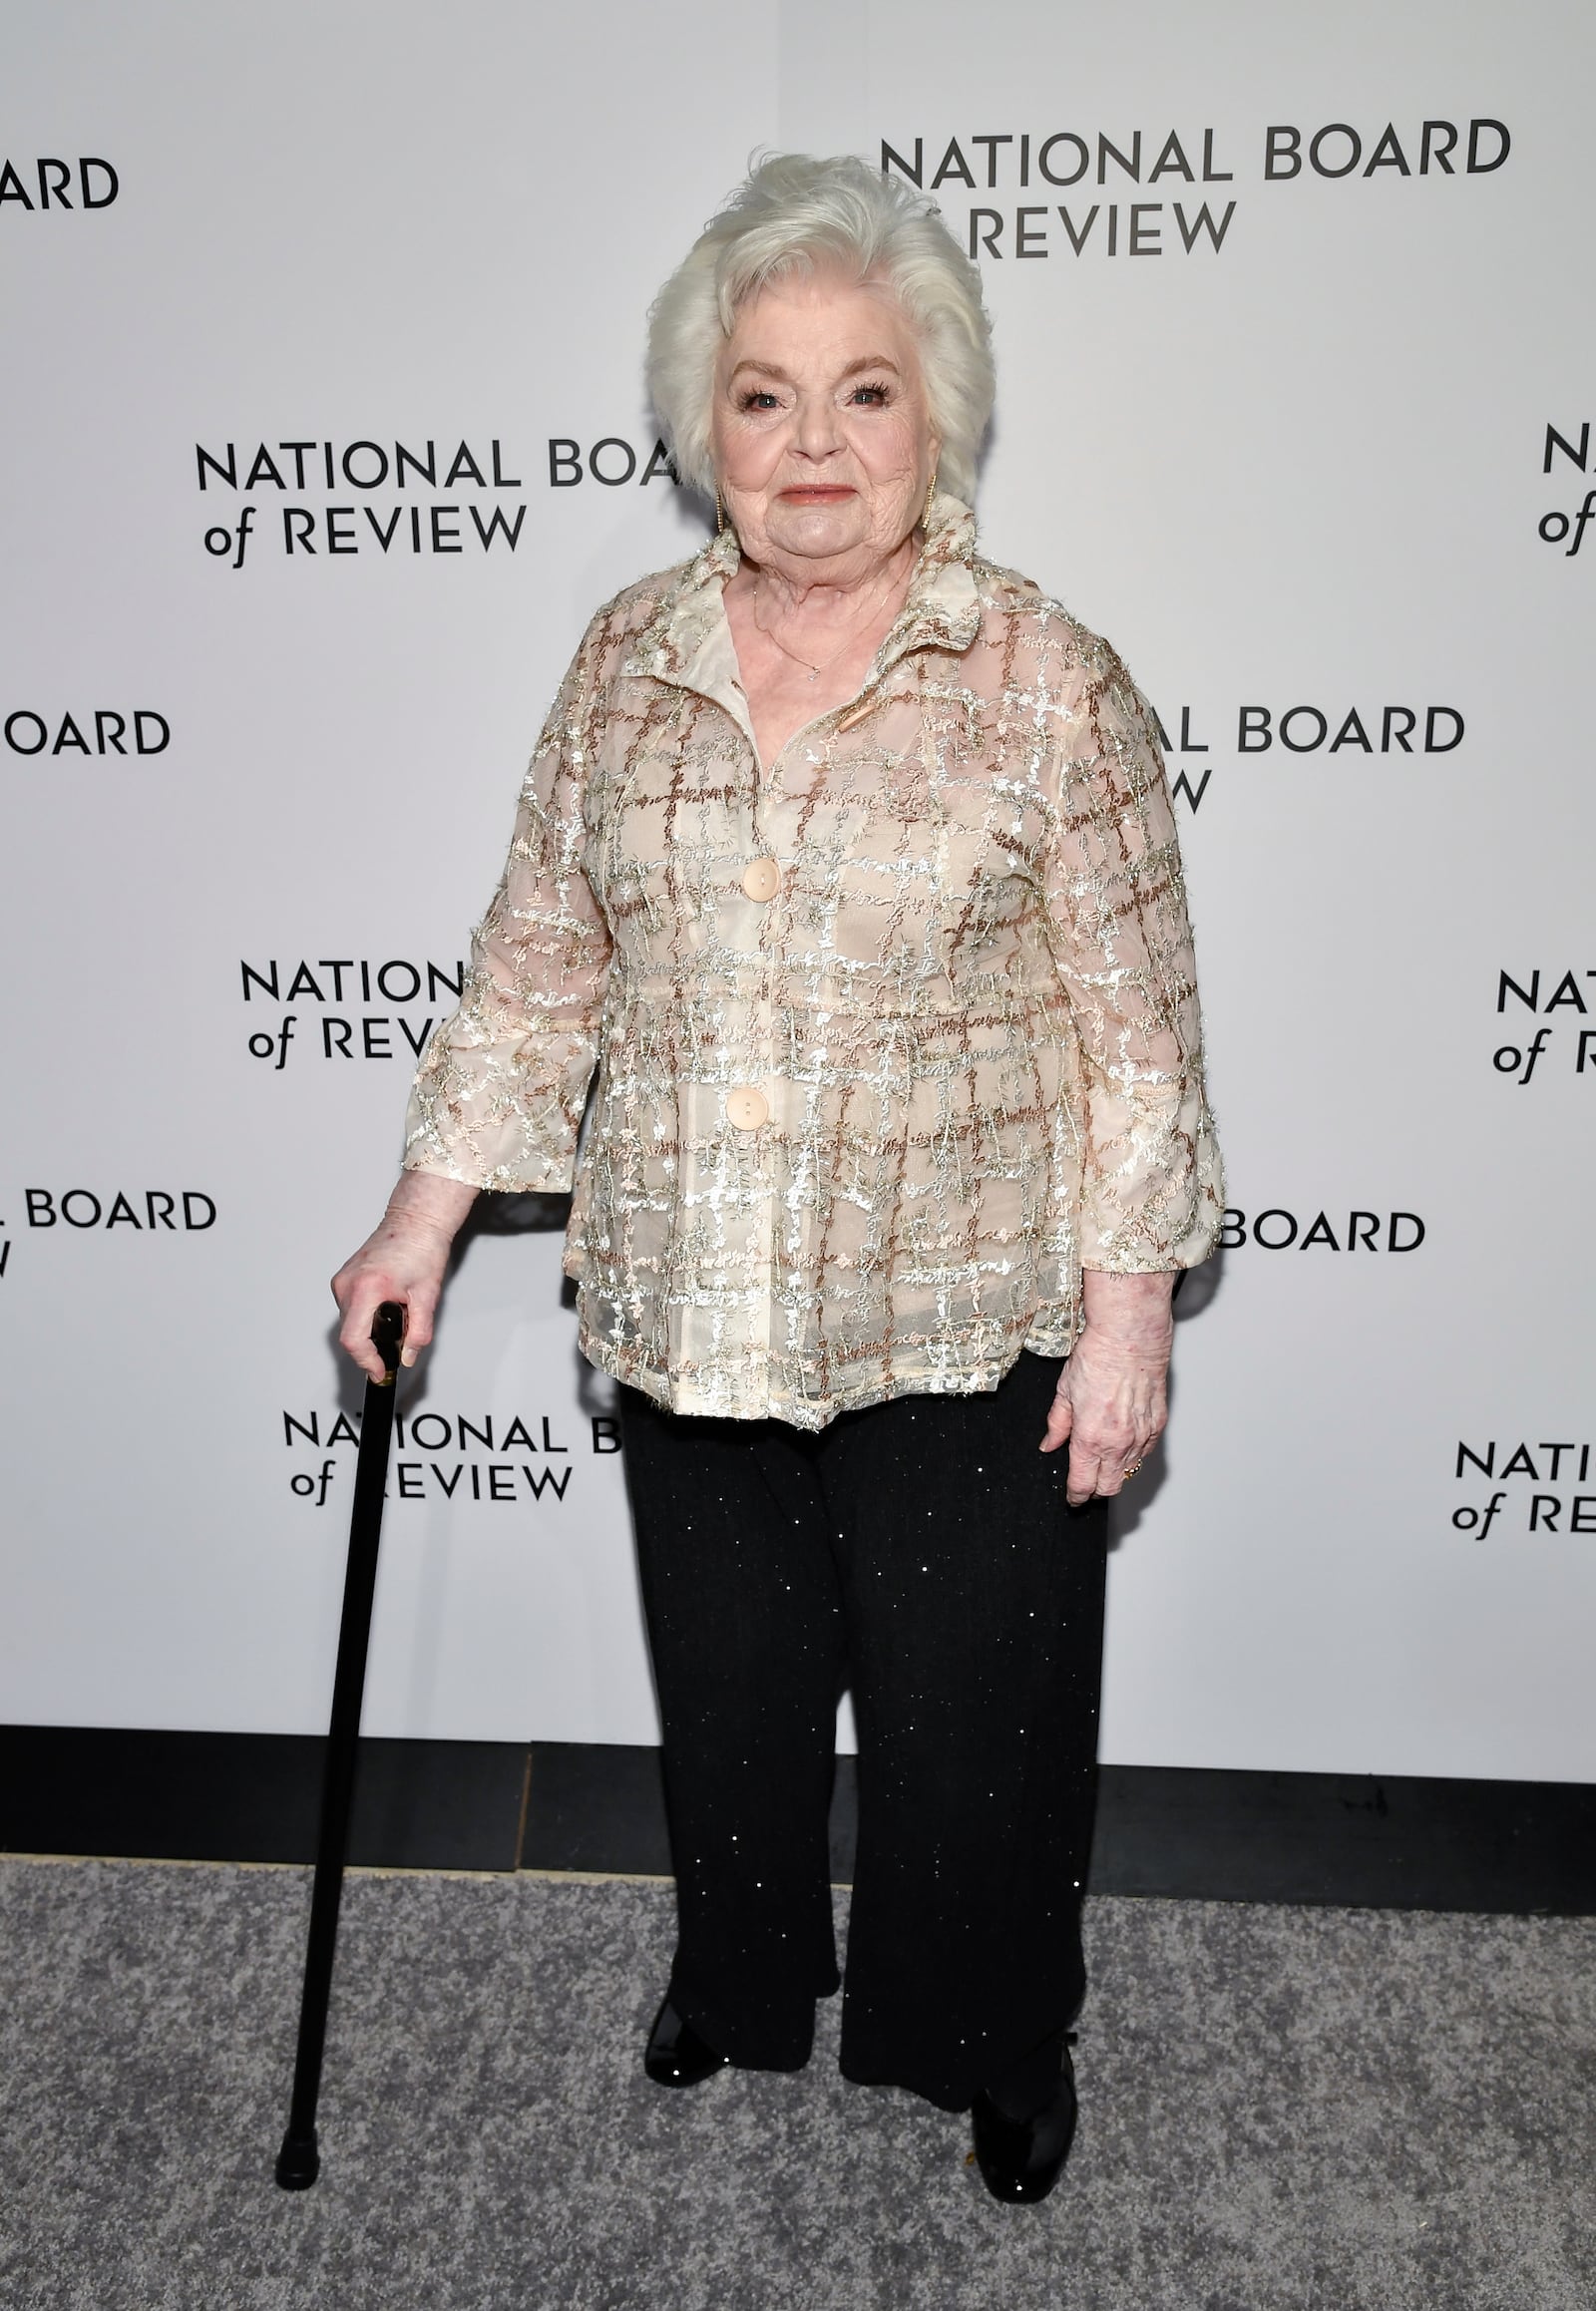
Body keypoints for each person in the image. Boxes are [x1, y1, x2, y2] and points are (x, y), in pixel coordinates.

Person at [331, 154, 1223, 2205]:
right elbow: (539, 970)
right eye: (759, 392)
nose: (810, 441)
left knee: (970, 1733)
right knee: (725, 1707)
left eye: (862, 391)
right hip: (694, 1308)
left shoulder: (1041, 679)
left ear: (939, 413)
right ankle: (735, 1973)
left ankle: (989, 2031)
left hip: (961, 1321)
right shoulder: (623, 664)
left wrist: (1122, 1327)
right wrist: (417, 1219)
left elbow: (1140, 1038)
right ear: (700, 423)